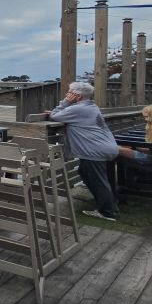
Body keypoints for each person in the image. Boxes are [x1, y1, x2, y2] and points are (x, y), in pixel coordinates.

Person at [47, 82, 120, 221]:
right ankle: (109, 203)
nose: (67, 94)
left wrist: (65, 102)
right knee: (86, 172)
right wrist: (65, 108)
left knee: (98, 181)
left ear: (77, 96)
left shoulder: (78, 109)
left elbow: (55, 116)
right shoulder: (90, 106)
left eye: (69, 92)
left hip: (95, 150)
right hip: (105, 146)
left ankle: (107, 212)